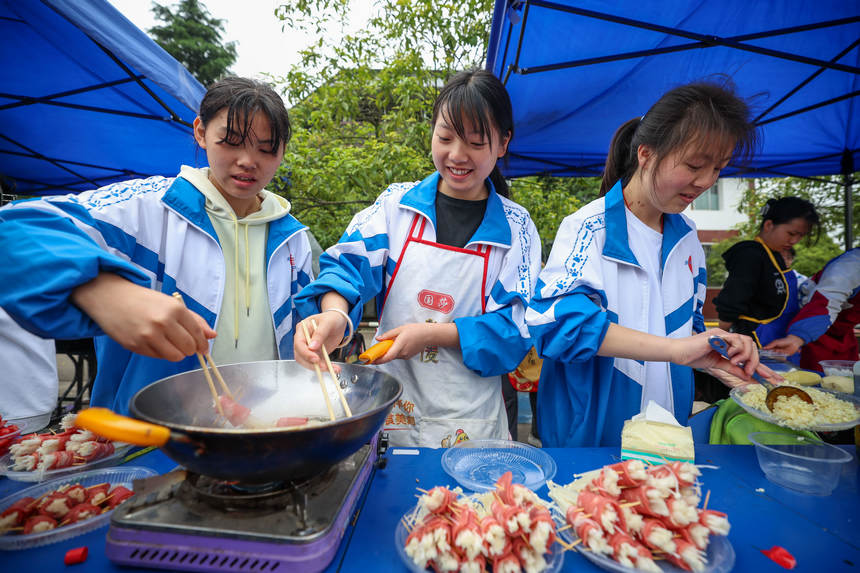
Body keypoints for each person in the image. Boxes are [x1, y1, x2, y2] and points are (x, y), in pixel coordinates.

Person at [0, 77, 313, 415]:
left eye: (266, 149)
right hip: (148, 447)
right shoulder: (148, 209)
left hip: (263, 434)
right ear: (200, 132)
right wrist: (103, 291)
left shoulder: (293, 239)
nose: (248, 161)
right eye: (231, 142)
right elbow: (15, 229)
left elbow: (303, 339)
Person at [293, 69, 542, 448]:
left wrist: (431, 334)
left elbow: (514, 330)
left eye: (476, 143)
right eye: (445, 138)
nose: (457, 155)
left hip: (470, 421)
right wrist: (333, 315)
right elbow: (346, 268)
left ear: (503, 143)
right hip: (391, 408)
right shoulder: (396, 207)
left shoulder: (516, 228)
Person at [526, 80, 776, 448]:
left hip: (665, 437)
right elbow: (560, 327)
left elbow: (685, 329)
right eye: (694, 165)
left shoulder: (688, 238)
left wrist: (713, 353)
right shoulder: (588, 229)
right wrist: (675, 350)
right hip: (590, 438)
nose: (705, 181)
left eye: (718, 168)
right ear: (645, 154)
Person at [713, 196, 820, 362]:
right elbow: (732, 299)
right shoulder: (750, 254)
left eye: (800, 236)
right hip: (755, 341)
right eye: (791, 233)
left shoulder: (775, 256)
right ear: (769, 225)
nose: (794, 241)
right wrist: (723, 339)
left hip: (779, 340)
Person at [765, 248, 860, 370]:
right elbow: (825, 302)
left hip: (843, 334)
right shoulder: (851, 265)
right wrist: (797, 338)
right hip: (813, 328)